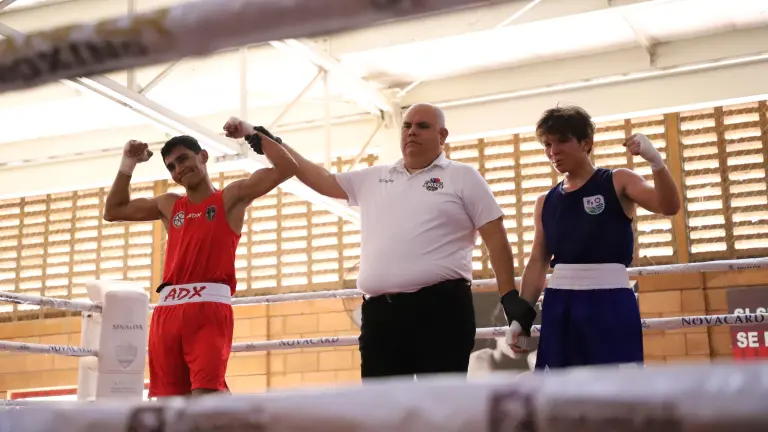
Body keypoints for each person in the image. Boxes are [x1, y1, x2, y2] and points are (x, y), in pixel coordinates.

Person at [226, 103, 520, 379]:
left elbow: (495, 238)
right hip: (381, 316)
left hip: (441, 311)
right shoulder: (375, 177)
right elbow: (321, 178)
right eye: (406, 126)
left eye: (422, 126)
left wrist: (509, 298)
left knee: (439, 411)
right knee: (383, 413)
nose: (411, 131)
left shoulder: (463, 176)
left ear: (442, 136)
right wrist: (268, 141)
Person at [103, 126, 298, 397]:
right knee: (170, 408)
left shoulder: (230, 198)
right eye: (171, 166)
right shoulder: (169, 205)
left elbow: (286, 167)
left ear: (203, 156)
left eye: (183, 159)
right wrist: (128, 162)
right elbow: (113, 211)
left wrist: (251, 132)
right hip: (166, 313)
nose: (178, 169)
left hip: (208, 310)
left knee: (206, 399)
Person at [503, 105, 681, 370]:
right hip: (560, 302)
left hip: (610, 300)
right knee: (559, 393)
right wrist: (521, 317)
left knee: (617, 390)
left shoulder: (618, 180)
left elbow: (668, 206)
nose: (554, 151)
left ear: (587, 143)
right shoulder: (545, 201)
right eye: (547, 144)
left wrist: (656, 162)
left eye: (562, 141)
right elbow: (538, 261)